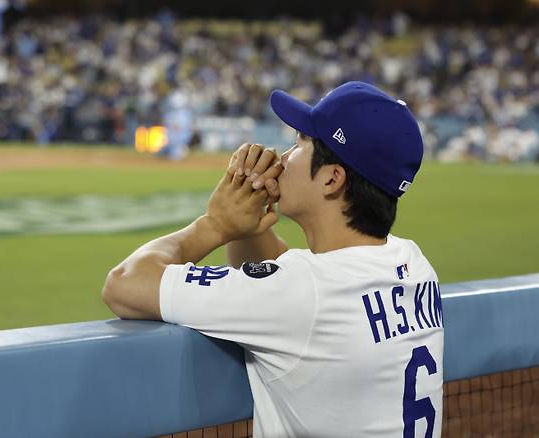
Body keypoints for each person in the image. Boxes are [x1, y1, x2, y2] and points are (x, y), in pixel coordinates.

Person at [102, 81, 444, 437]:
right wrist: (249, 225)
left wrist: (215, 225)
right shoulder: (415, 265)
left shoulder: (299, 292)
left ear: (331, 179)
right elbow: (290, 286)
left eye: (299, 144)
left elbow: (123, 284)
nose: (281, 158)